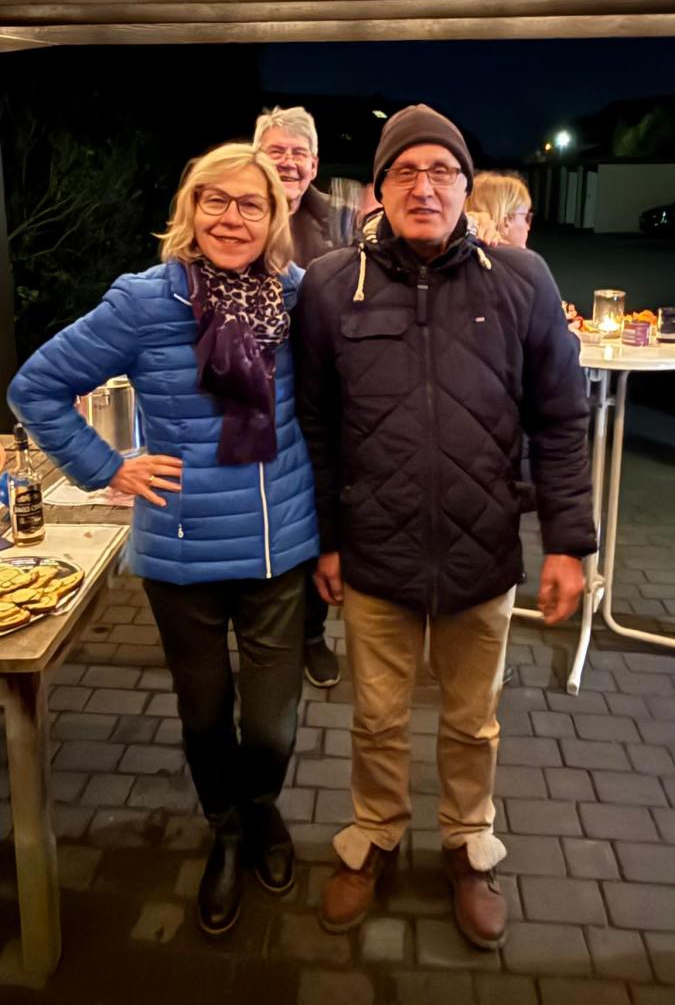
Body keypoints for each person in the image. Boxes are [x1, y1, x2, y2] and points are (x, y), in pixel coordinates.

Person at [295, 105, 596, 949]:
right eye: (404, 172)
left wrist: (567, 543)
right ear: (379, 190)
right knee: (375, 719)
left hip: (480, 546)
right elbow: (314, 423)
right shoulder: (332, 284)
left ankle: (468, 845)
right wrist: (326, 538)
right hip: (375, 549)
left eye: (440, 172)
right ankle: (374, 836)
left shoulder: (521, 279)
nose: (422, 187)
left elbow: (560, 417)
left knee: (472, 720)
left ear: (467, 187)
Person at [8, 142, 318, 937]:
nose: (232, 217)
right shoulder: (147, 302)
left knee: (273, 721)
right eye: (215, 200)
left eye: (250, 204)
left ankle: (262, 807)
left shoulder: (297, 295)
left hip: (280, 545)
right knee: (205, 711)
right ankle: (226, 829)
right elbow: (35, 386)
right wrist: (106, 466)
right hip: (181, 551)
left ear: (274, 216)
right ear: (189, 209)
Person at [254, 106, 340, 689]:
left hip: (317, 390)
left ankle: (311, 633)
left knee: (314, 512)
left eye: (298, 153)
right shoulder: (235, 207)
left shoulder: (338, 220)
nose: (288, 162)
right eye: (276, 151)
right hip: (244, 393)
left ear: (313, 165)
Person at [466, 170, 533, 249]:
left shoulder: (462, 248)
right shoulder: (525, 257)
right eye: (526, 218)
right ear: (507, 220)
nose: (528, 227)